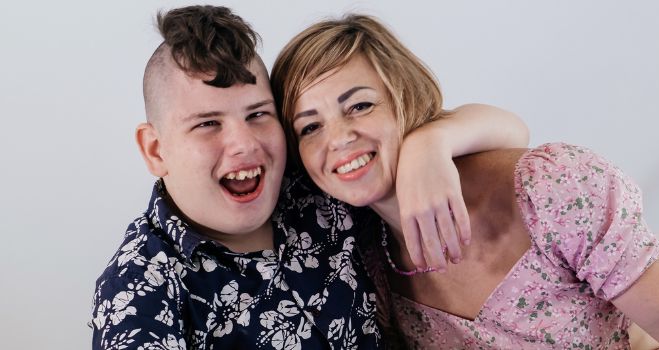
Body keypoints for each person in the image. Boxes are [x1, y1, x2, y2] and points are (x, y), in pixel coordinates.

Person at [271, 14, 659, 349]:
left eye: (360, 105)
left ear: (404, 98)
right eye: (309, 126)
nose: (339, 137)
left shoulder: (551, 190)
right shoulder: (353, 251)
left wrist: (430, 142)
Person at [89, 6, 528, 349]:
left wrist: (429, 145)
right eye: (207, 124)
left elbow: (513, 131)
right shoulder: (139, 289)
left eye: (258, 114)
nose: (245, 145)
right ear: (155, 149)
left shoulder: (313, 189)